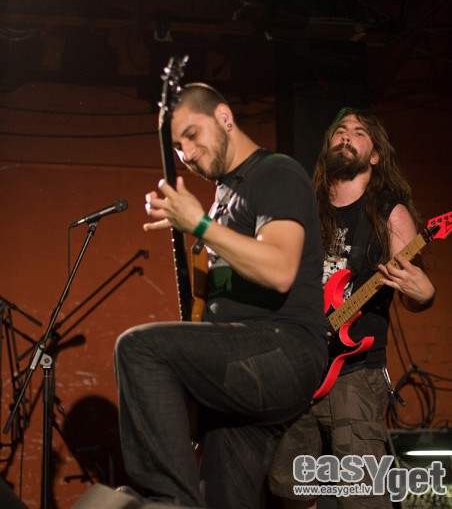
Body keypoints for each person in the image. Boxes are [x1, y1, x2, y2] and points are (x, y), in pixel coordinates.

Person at [114, 83, 328, 508]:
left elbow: (280, 270)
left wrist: (200, 225)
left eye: (192, 135)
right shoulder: (222, 198)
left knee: (139, 348)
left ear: (225, 117)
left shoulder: (277, 173)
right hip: (241, 367)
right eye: (178, 147)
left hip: (284, 350)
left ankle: (170, 501)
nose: (187, 154)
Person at [268, 107, 436, 508]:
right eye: (339, 130)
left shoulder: (389, 213)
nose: (346, 135)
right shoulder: (304, 208)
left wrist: (423, 293)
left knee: (361, 497)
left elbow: (412, 295)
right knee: (287, 489)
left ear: (374, 155)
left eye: (359, 132)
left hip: (355, 374)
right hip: (299, 366)